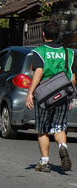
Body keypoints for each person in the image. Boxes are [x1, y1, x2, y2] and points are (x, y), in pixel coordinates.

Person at [26, 21, 76, 172]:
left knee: (43, 128)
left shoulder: (39, 52)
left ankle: (45, 161)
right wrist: (69, 96)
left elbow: (39, 72)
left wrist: (30, 92)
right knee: (59, 126)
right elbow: (72, 78)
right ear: (57, 34)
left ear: (43, 34)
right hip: (62, 93)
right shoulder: (69, 53)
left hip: (45, 95)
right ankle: (62, 146)